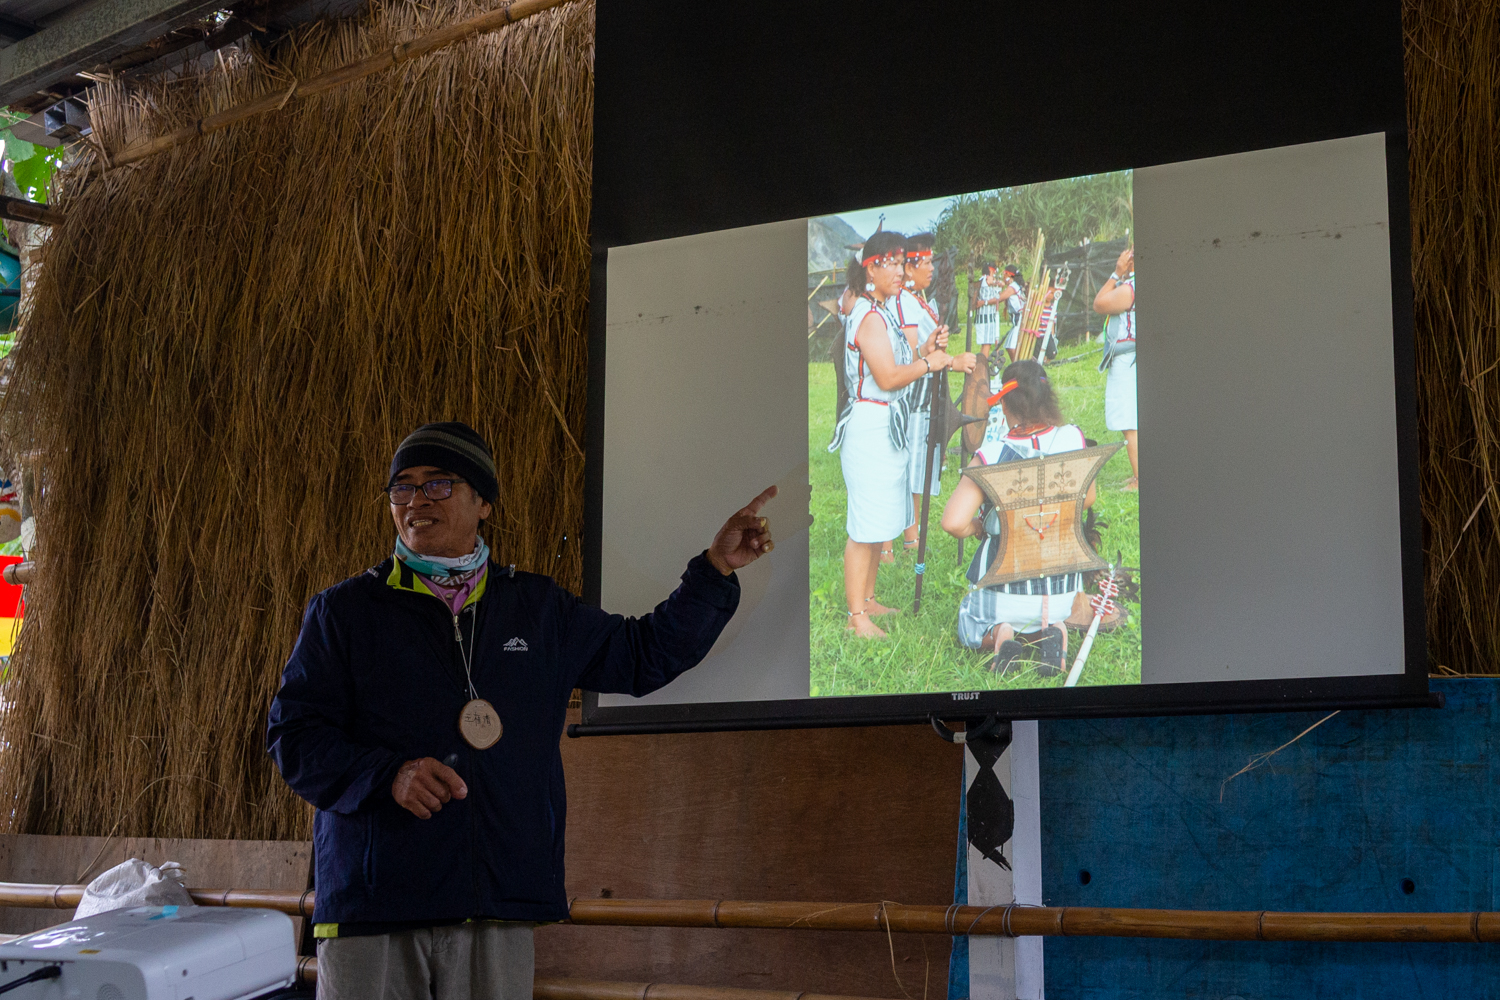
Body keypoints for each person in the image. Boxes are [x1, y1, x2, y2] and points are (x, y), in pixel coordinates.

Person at [266, 421, 777, 1000]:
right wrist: (389, 776)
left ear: (483, 502)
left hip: (496, 904)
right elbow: (293, 736)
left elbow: (643, 655)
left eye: (438, 483)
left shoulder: (537, 608)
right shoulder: (343, 612)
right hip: (374, 905)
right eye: (402, 488)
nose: (415, 501)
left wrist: (714, 570)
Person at [829, 232, 961, 639]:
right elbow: (887, 378)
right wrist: (931, 364)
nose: (901, 271)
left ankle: (868, 600)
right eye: (893, 263)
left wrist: (926, 351)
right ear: (870, 268)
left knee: (877, 523)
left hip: (885, 425)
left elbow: (899, 362)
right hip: (869, 427)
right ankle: (856, 617)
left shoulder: (880, 311)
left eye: (904, 263)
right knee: (863, 527)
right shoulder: (869, 317)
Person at [940, 360, 1094, 675]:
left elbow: (953, 522)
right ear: (1046, 398)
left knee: (969, 621)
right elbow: (1088, 498)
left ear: (1006, 405)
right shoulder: (1073, 438)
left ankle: (1001, 633)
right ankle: (1054, 628)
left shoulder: (992, 454)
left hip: (1005, 591)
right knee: (1050, 612)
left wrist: (978, 526)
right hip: (1061, 591)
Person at [891, 233, 977, 550]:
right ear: (908, 268)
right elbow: (908, 357)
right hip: (912, 397)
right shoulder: (903, 302)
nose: (931, 268)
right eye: (925, 262)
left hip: (925, 394)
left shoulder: (918, 300)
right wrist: (952, 361)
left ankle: (909, 536)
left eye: (932, 261)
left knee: (918, 466)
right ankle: (901, 540)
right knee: (909, 467)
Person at [1094, 244, 1137, 490]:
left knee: (1128, 421)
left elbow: (1099, 303)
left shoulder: (1130, 289)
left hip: (1127, 358)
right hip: (1131, 357)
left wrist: (1116, 273)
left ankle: (1140, 479)